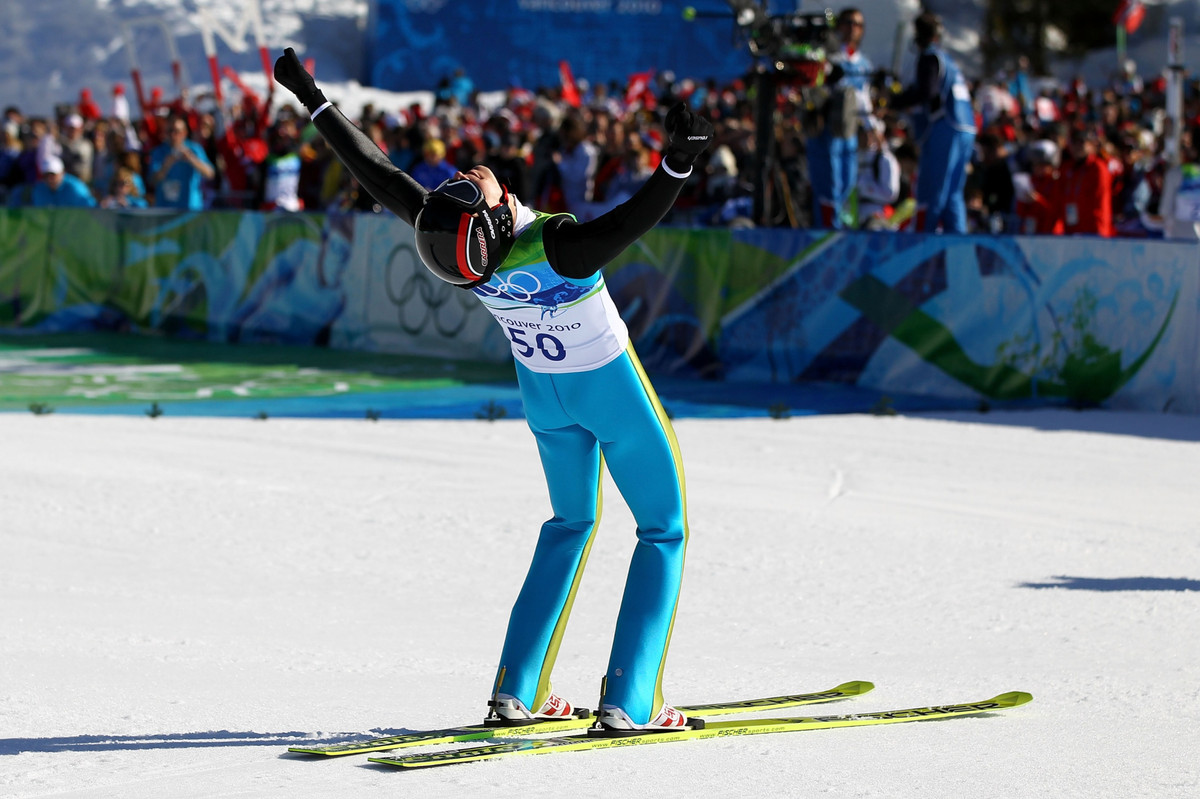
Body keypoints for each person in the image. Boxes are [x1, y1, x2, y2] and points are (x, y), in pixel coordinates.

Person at [274, 46, 713, 734]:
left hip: (545, 400)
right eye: (464, 188)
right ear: (498, 218)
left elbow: (376, 172)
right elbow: (629, 223)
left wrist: (313, 99)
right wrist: (677, 166)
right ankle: (632, 699)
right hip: (609, 393)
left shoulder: (467, 261)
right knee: (664, 529)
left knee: (570, 523)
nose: (458, 178)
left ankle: (518, 688)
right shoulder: (557, 246)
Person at [891, 12, 977, 233]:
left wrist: (894, 101)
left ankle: (923, 244)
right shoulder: (948, 60)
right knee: (953, 194)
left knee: (932, 189)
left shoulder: (930, 57)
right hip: (965, 126)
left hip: (946, 128)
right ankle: (957, 246)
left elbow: (926, 91)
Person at [807, 6, 872, 228]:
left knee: (846, 183)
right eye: (848, 23)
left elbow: (864, 99)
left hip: (849, 131)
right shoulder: (827, 55)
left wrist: (870, 127)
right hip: (827, 131)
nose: (853, 29)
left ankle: (837, 231)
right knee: (829, 186)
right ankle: (826, 233)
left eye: (858, 24)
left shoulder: (863, 64)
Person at [148, 114, 215, 210]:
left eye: (177, 131)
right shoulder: (158, 152)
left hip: (190, 209)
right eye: (170, 131)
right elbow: (152, 180)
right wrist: (166, 164)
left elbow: (210, 173)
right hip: (165, 209)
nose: (173, 135)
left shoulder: (194, 149)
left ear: (184, 133)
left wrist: (192, 159)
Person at [1058, 127, 1112, 237]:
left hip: (1092, 231)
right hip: (1071, 229)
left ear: (1090, 145)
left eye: (1082, 143)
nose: (1078, 147)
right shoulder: (1067, 168)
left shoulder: (1097, 168)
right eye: (1074, 143)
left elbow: (1101, 201)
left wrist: (1101, 231)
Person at [26, 152, 96, 208]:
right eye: (46, 175)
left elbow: (91, 209)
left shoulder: (75, 188)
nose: (49, 179)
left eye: (53, 175)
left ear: (62, 173)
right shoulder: (39, 190)